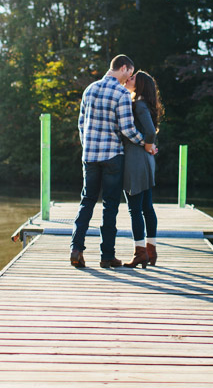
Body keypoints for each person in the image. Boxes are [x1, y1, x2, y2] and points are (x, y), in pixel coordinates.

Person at [70, 55, 156, 268]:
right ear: (124, 68)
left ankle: (76, 249)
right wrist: (145, 143)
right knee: (110, 206)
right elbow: (127, 129)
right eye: (129, 73)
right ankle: (107, 256)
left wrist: (87, 145)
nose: (129, 78)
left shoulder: (89, 89)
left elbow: (81, 124)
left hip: (89, 156)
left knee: (87, 202)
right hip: (112, 157)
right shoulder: (121, 93)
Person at [121, 71, 163, 268]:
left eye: (132, 79)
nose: (128, 80)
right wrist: (149, 147)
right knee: (147, 207)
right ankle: (151, 250)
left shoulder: (138, 103)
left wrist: (148, 144)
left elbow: (149, 131)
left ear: (140, 84)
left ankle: (140, 253)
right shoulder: (145, 103)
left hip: (135, 160)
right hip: (144, 159)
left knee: (135, 209)